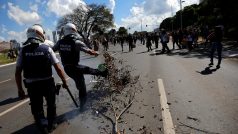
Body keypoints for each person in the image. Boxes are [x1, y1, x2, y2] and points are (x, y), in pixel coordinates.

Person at [15, 24, 68, 134]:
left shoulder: (22, 51)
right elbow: (58, 67)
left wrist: (20, 89)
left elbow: (17, 72)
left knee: (37, 107)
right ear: (40, 34)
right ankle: (51, 124)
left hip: (32, 86)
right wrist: (64, 81)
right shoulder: (47, 49)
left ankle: (42, 125)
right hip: (48, 83)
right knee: (51, 105)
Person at [53, 23, 108, 109]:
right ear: (74, 31)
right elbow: (90, 51)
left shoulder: (60, 42)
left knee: (81, 85)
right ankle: (104, 72)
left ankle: (82, 104)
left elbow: (51, 50)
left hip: (67, 69)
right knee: (91, 70)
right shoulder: (76, 42)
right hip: (75, 67)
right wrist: (97, 53)